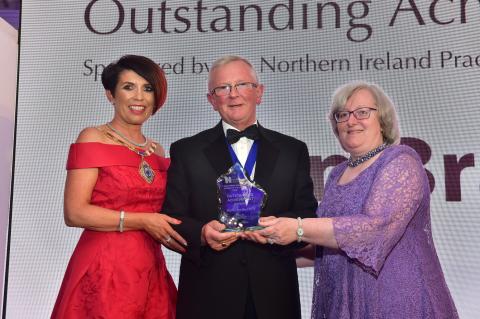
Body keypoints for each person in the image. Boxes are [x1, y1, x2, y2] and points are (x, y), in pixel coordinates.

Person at [257, 81, 459, 318]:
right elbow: (326, 243)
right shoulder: (336, 174)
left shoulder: (401, 160)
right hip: (344, 302)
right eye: (342, 115)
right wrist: (266, 242)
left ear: (382, 119)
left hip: (396, 302)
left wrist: (298, 228)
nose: (351, 121)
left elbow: (375, 229)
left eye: (362, 112)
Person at [161, 55, 318, 319]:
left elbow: (307, 214)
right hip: (208, 295)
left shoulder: (293, 150)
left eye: (242, 84)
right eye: (222, 88)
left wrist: (280, 227)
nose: (233, 95)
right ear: (212, 100)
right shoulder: (187, 151)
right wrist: (201, 233)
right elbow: (172, 217)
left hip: (275, 296)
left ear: (259, 93)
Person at [51, 55, 186, 319]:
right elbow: (75, 212)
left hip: (149, 268)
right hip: (104, 268)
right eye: (128, 87)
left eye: (147, 88)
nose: (139, 97)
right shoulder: (93, 136)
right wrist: (144, 221)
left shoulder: (157, 150)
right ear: (111, 95)